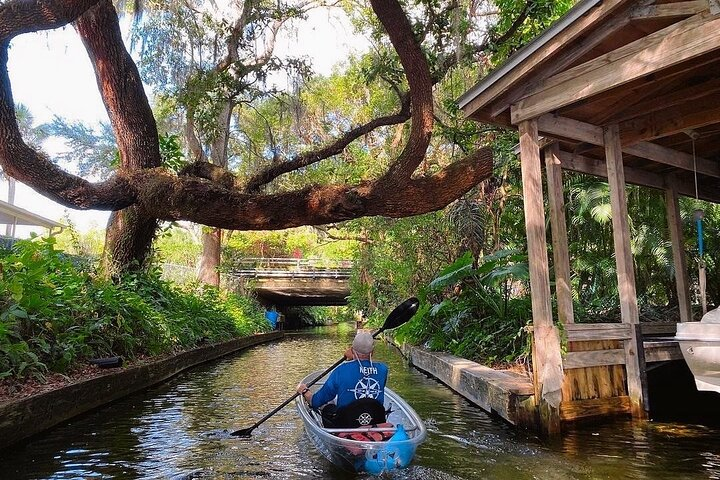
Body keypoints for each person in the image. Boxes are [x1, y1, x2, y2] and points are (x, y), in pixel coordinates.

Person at [297, 331, 388, 427]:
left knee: (327, 405)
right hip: (375, 420)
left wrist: (304, 391)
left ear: (352, 350)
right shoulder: (383, 369)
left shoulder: (341, 371)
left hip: (346, 423)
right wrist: (354, 357)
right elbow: (363, 369)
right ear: (372, 352)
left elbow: (316, 401)